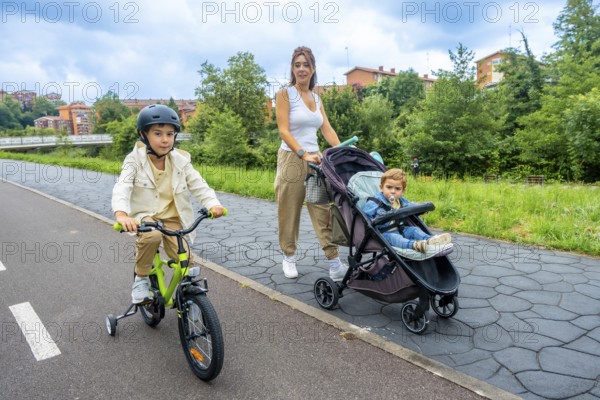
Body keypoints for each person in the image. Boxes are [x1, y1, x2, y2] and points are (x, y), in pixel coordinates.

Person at [112, 104, 225, 304]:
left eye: (170, 134)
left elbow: (199, 185)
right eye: (157, 133)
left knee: (186, 261)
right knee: (152, 236)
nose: (165, 139)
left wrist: (213, 204)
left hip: (172, 218)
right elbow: (123, 187)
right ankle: (141, 278)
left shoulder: (181, 161)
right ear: (143, 134)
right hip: (145, 216)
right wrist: (122, 214)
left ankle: (188, 296)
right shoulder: (133, 161)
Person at [274, 46, 348, 281]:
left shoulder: (316, 98)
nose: (302, 69)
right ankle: (289, 256)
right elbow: (284, 130)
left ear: (313, 68)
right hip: (292, 159)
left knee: (322, 210)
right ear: (292, 69)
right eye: (297, 65)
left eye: (306, 64)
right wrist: (302, 153)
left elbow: (326, 128)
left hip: (317, 159)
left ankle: (334, 262)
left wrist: (341, 151)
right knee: (289, 210)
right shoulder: (285, 94)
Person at [363, 168, 451, 257]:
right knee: (398, 239)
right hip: (385, 233)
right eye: (389, 187)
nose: (393, 191)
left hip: (401, 229)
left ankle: (431, 241)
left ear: (402, 191)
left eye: (397, 189)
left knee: (414, 230)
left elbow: (411, 205)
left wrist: (422, 207)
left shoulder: (401, 201)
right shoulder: (375, 202)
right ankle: (416, 245)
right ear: (381, 187)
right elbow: (366, 217)